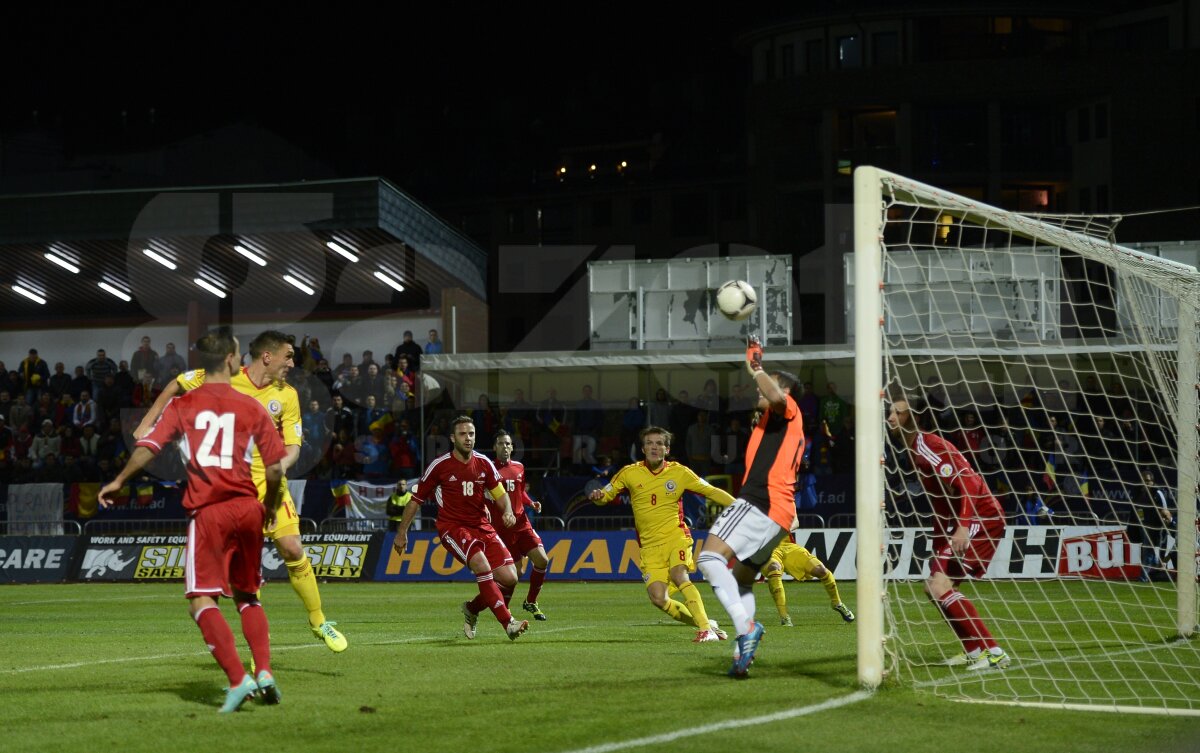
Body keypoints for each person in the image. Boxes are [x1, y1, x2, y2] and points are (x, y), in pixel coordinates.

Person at [100, 329, 285, 713]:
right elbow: (273, 471)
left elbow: (149, 447)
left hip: (210, 510)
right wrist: (268, 506)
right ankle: (264, 671)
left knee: (201, 599)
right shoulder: (251, 407)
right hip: (249, 508)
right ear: (233, 359)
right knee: (248, 595)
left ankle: (238, 680)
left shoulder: (184, 405)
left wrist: (119, 480)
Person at [134, 330, 348, 654]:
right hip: (234, 489)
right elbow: (178, 382)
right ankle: (258, 652)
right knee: (248, 573)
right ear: (267, 356)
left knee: (292, 547)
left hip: (271, 485)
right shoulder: (226, 377)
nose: (292, 363)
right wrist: (147, 424)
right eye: (288, 356)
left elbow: (292, 446)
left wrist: (281, 465)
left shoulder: (288, 394)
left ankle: (319, 621)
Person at [696, 338, 803, 677]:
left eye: (769, 382)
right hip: (779, 515)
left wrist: (756, 367)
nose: (758, 390)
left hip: (760, 502)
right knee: (742, 580)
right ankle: (743, 651)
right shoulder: (774, 423)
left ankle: (746, 629)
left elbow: (775, 396)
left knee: (708, 558)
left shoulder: (787, 408)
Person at [887, 396, 1010, 671]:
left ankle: (994, 652)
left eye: (898, 413)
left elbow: (968, 481)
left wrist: (964, 525)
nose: (891, 417)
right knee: (934, 589)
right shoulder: (913, 450)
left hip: (980, 515)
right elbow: (942, 499)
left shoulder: (928, 445)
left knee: (939, 586)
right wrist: (941, 534)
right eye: (890, 412)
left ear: (915, 418)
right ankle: (975, 651)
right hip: (955, 521)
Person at [589, 425, 734, 643]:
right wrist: (598, 497)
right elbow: (606, 496)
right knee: (659, 598)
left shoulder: (680, 472)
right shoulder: (629, 473)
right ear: (643, 448)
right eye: (649, 443)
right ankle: (705, 624)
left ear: (666, 449)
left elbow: (710, 491)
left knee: (679, 575)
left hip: (676, 536)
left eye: (659, 444)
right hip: (649, 546)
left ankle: (706, 630)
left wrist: (740, 506)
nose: (654, 447)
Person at [392, 416, 530, 641]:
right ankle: (508, 623)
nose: (468, 438)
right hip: (453, 528)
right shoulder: (440, 465)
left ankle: (472, 609)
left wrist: (506, 511)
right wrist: (402, 532)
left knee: (510, 578)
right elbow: (415, 499)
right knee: (481, 564)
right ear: (452, 438)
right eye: (463, 434)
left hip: (482, 527)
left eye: (472, 434)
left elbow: (500, 495)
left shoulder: (484, 463)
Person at [489, 430, 552, 620]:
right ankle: (501, 609)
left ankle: (531, 601)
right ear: (495, 447)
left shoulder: (519, 467)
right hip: (502, 528)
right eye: (501, 444)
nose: (505, 447)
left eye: (508, 444)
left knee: (542, 560)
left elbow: (520, 491)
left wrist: (530, 502)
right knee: (516, 573)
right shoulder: (488, 469)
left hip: (522, 523)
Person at [762, 520, 855, 627]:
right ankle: (784, 617)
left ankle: (837, 603)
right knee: (774, 568)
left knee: (821, 570)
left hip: (788, 546)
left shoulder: (784, 502)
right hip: (765, 548)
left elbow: (796, 521)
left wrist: (785, 527)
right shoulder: (747, 503)